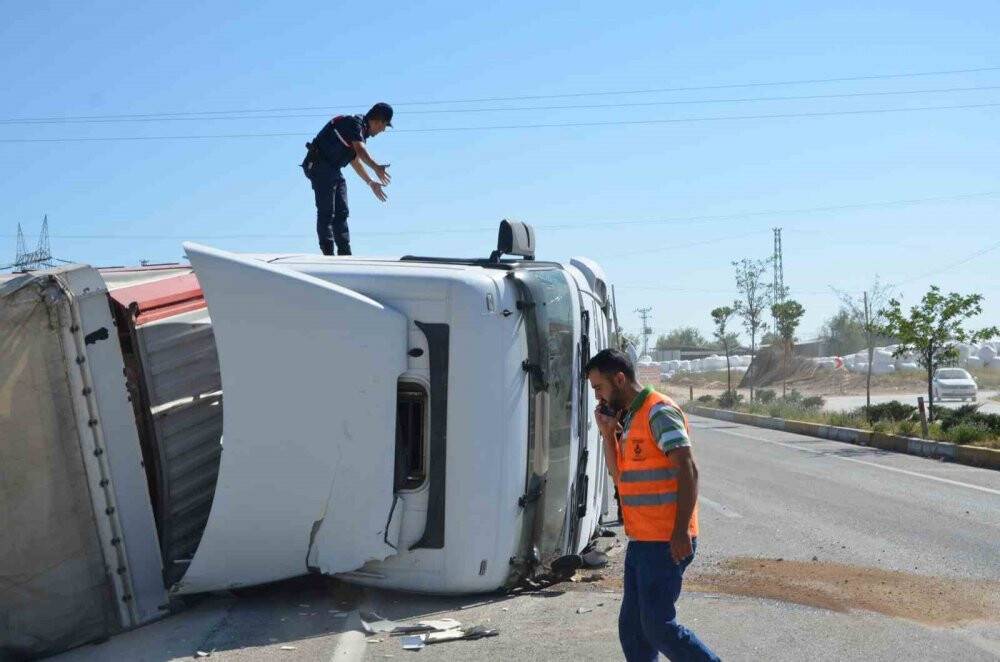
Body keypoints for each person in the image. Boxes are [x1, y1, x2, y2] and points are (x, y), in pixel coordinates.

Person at [585, 348, 720, 662]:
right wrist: (607, 434)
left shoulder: (658, 412)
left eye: (599, 388)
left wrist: (681, 531)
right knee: (633, 629)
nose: (597, 397)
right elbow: (619, 476)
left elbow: (688, 470)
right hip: (642, 540)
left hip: (665, 540)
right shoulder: (631, 419)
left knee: (658, 626)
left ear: (619, 379)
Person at [302, 102, 393, 256]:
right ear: (378, 121)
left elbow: (354, 159)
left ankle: (345, 253)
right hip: (318, 165)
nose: (383, 130)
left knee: (342, 211)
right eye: (384, 126)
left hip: (332, 168)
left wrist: (370, 182)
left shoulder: (361, 132)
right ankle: (328, 253)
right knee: (327, 211)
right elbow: (360, 151)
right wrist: (376, 167)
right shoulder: (354, 124)